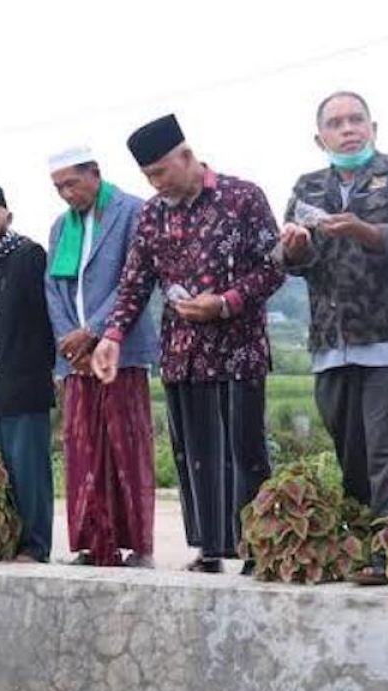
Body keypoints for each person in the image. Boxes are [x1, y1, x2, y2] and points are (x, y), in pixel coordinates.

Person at [92, 114, 284, 574]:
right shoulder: (153, 214)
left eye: (160, 172)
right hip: (182, 353)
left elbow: (274, 267)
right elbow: (135, 281)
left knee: (244, 453)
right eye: (147, 177)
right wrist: (113, 335)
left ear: (185, 156)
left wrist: (225, 302)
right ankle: (210, 550)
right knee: (195, 457)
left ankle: (259, 550)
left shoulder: (243, 197)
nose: (156, 184)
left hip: (238, 350)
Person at [278, 91, 388, 585]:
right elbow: (293, 264)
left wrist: (363, 230)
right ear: (319, 136)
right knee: (354, 460)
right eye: (336, 122)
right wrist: (295, 249)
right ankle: (365, 549)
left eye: (356, 120)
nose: (348, 129)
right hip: (331, 347)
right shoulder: (308, 187)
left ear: (373, 126)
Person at [44, 146, 158, 568]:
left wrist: (91, 330)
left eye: (72, 183)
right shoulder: (61, 226)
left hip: (119, 350)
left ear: (95, 173)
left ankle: (140, 546)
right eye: (58, 187)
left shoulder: (132, 211)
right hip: (75, 357)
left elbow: (135, 279)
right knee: (83, 450)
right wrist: (68, 341)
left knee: (125, 446)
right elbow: (52, 288)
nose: (66, 194)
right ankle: (94, 544)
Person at [0, 183, 56, 563]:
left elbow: (47, 314)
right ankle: (8, 541)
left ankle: (36, 546)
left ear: (8, 217)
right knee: (0, 471)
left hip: (26, 381)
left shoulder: (28, 255)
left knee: (29, 471)